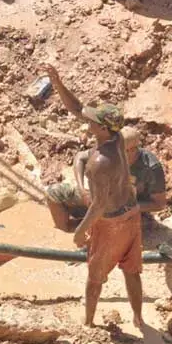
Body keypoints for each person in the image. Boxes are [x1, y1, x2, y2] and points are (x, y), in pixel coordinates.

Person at [42, 64, 143, 328]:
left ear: (101, 128)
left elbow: (98, 206)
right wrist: (58, 82)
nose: (87, 121)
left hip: (112, 225)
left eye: (92, 121)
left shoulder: (99, 163)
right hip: (132, 214)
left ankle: (88, 324)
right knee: (132, 270)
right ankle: (139, 318)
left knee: (94, 277)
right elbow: (77, 109)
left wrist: (79, 232)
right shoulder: (118, 138)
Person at [47, 126, 167, 232]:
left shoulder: (150, 167)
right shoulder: (110, 151)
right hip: (100, 199)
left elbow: (159, 204)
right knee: (54, 193)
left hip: (127, 210)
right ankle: (72, 229)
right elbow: (80, 157)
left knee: (115, 231)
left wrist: (130, 207)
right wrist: (82, 190)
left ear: (132, 150)